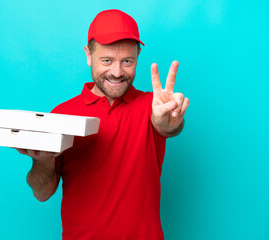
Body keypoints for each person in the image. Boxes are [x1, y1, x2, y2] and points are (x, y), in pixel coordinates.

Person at [16, 9, 189, 239]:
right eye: (106, 60)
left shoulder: (154, 107)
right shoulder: (62, 115)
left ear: (138, 56)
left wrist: (169, 122)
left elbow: (168, 127)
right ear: (88, 55)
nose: (117, 72)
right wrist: (42, 160)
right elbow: (42, 193)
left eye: (127, 61)